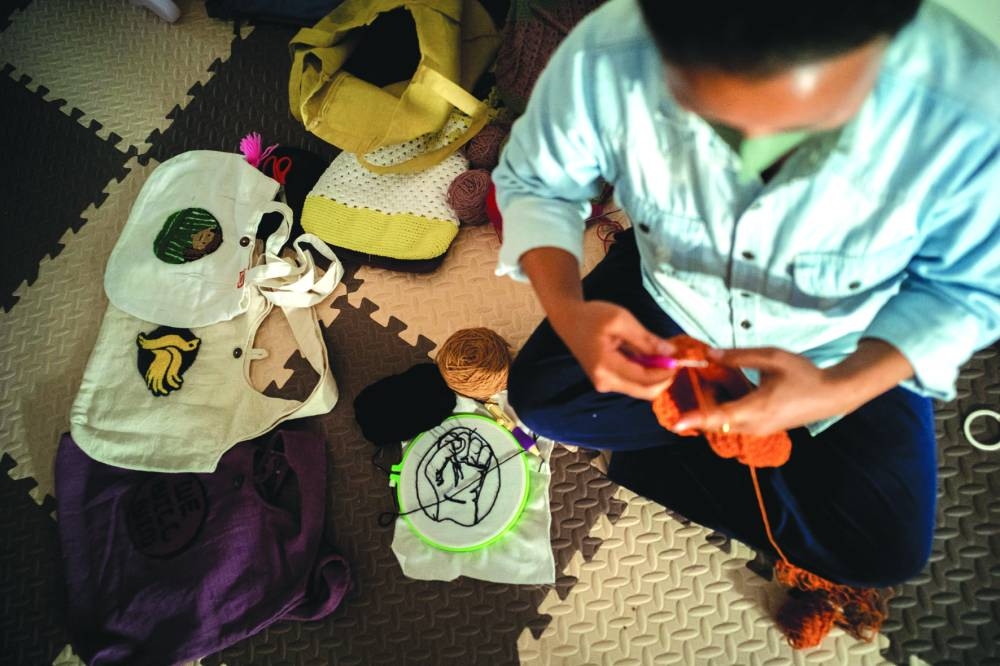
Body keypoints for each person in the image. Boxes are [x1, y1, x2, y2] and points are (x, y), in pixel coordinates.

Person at [493, 0, 1000, 589]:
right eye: (708, 119)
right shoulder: (611, 49)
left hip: (842, 338)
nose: (746, 164)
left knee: (884, 554)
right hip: (675, 295)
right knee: (541, 400)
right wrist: (571, 312)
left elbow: (967, 293)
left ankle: (687, 447)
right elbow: (536, 184)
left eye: (798, 136)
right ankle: (731, 445)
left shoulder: (971, 109)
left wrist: (834, 390)